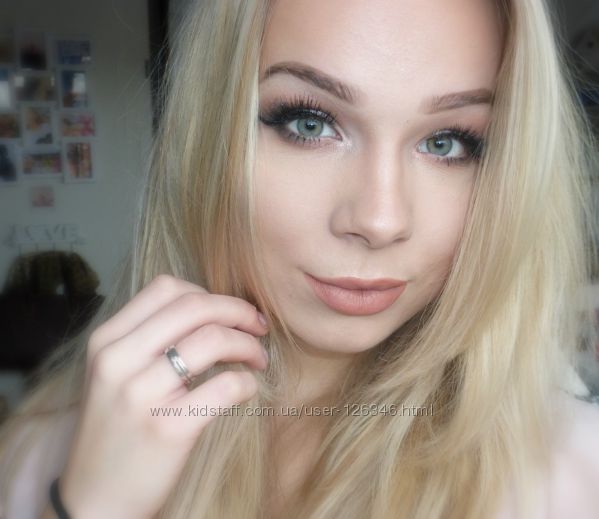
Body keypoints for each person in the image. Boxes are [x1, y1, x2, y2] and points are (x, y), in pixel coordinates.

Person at [1, 0, 599, 517]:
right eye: (310, 123)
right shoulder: (45, 449)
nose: (380, 220)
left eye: (447, 143)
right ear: (211, 134)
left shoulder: (572, 477)